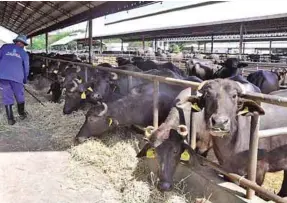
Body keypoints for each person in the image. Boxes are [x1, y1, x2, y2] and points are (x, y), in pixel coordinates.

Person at [0, 35, 30, 125]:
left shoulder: (4, 47)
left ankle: (10, 119)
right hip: (17, 77)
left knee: (7, 96)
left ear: (16, 41)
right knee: (19, 95)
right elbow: (26, 68)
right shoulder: (24, 53)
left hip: (3, 76)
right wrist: (24, 79)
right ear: (23, 44)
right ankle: (22, 114)